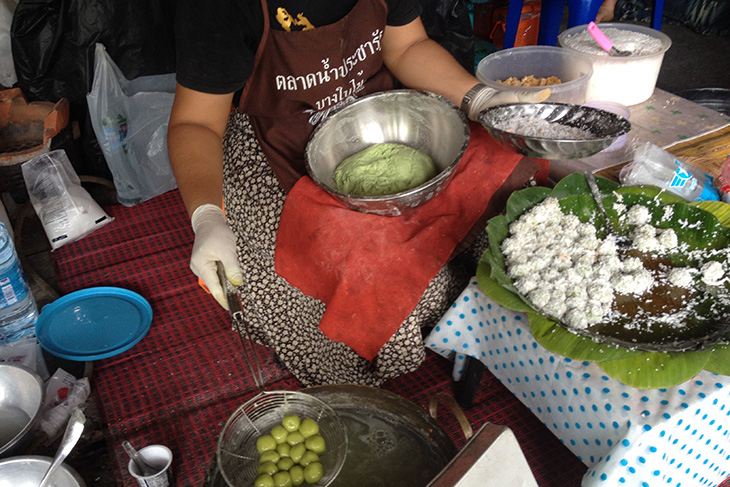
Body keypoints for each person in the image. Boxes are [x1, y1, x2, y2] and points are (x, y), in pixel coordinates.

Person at [168, 0, 549, 386]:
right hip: (274, 140)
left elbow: (406, 47)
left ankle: (476, 317)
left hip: (378, 112)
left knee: (503, 173)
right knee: (369, 274)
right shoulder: (218, 8)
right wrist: (207, 216)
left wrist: (479, 99)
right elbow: (195, 121)